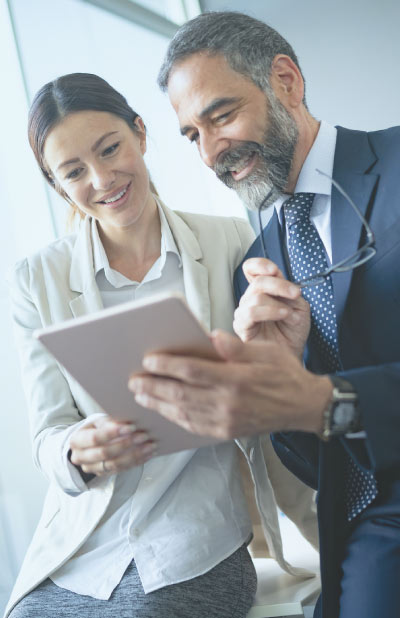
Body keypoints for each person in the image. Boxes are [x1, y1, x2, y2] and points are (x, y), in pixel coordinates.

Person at [5, 72, 318, 618]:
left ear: (141, 133)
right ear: (57, 185)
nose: (102, 179)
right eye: (74, 171)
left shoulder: (229, 242)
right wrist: (78, 451)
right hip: (86, 549)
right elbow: (47, 436)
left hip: (195, 543)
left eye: (110, 149)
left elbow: (281, 379)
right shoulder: (38, 279)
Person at [127, 11, 400, 618]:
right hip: (353, 533)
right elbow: (314, 463)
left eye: (221, 115)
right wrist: (280, 377)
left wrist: (331, 398)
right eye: (192, 135)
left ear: (286, 81)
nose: (210, 152)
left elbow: (333, 405)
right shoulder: (257, 264)